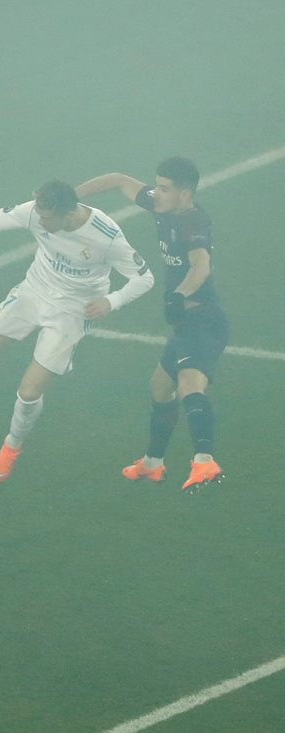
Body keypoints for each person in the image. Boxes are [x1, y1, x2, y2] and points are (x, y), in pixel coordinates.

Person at [0, 180, 154, 484]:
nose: (39, 222)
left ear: (69, 215)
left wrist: (112, 301)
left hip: (73, 310)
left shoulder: (106, 237)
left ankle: (11, 446)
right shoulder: (36, 212)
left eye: (46, 218)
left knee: (29, 392)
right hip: (33, 292)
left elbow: (144, 278)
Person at [76, 157, 227, 493]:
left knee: (190, 384)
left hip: (203, 318)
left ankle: (205, 460)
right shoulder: (163, 206)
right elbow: (117, 177)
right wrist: (73, 195)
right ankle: (153, 463)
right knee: (160, 387)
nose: (155, 193)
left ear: (185, 194)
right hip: (186, 322)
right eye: (156, 185)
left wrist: (178, 295)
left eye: (164, 188)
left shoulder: (192, 222)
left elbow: (201, 266)